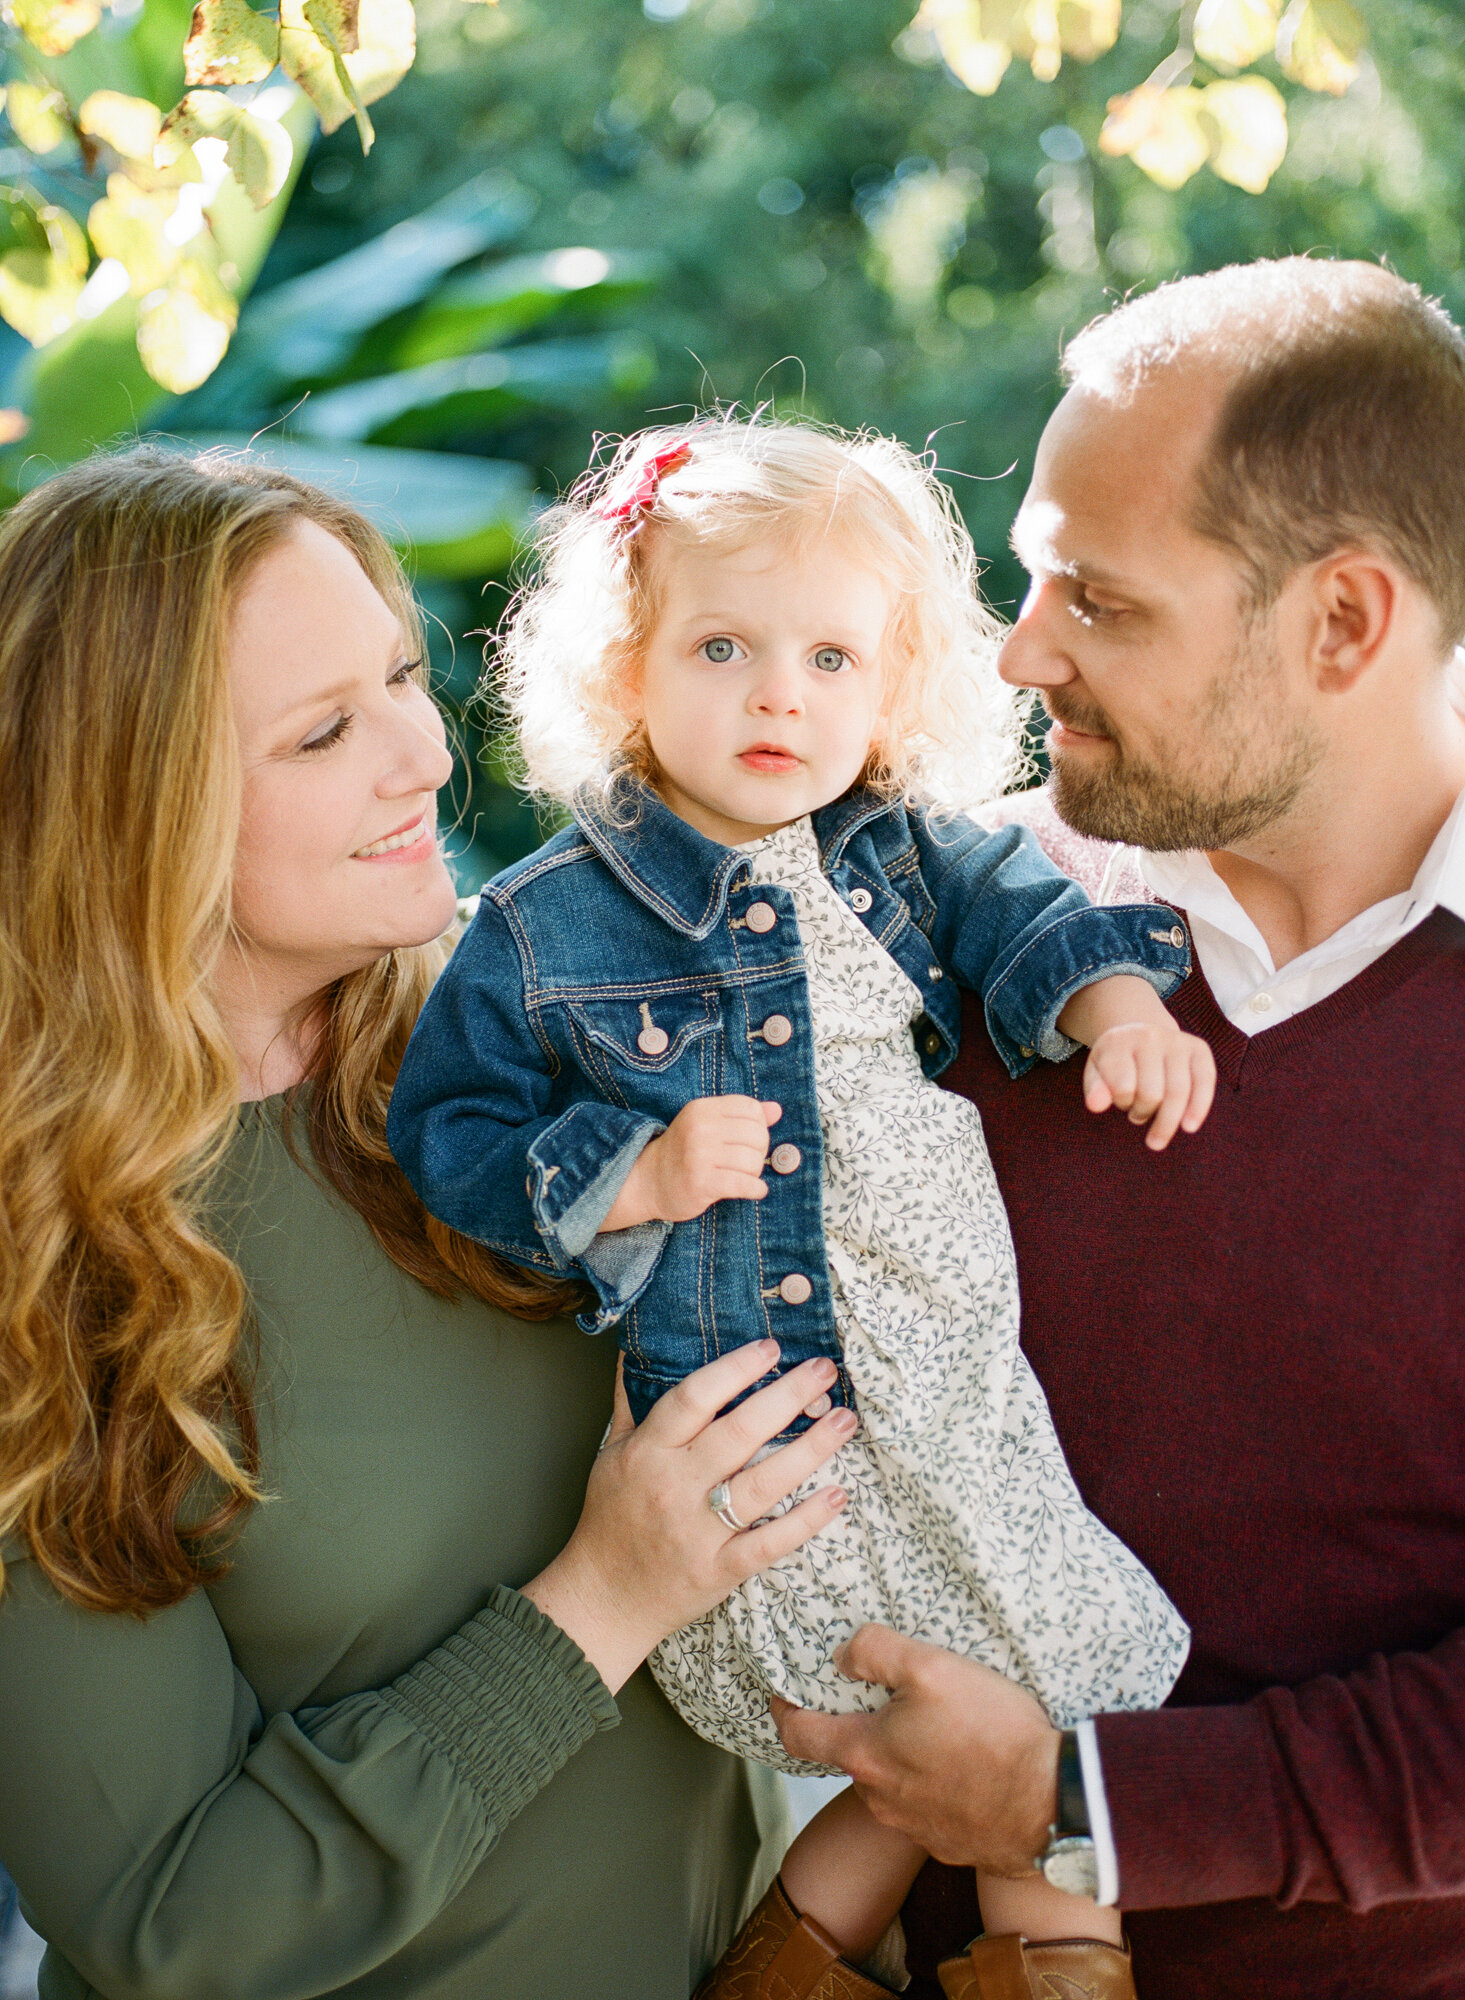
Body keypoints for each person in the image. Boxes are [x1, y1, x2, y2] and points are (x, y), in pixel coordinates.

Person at [0, 446, 860, 2000]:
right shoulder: (39, 1264)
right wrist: (603, 1597)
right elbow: (173, 1922)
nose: (422, 756)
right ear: (127, 812)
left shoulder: (541, 1041)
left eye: (402, 675)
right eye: (324, 731)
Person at [386, 417, 1216, 1998]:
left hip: (943, 1349)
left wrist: (1117, 1011)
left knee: (991, 1679)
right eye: (722, 645)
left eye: (834, 658)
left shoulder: (894, 849)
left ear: (891, 689)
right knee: (973, 1706)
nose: (782, 693)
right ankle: (1060, 1967)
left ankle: (789, 1965)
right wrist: (623, 1175)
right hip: (771, 1396)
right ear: (624, 671)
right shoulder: (546, 923)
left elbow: (1027, 909)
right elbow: (454, 1137)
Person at [772, 257, 1465, 2000]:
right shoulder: (928, 945)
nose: (1022, 657)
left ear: (1343, 623)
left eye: (1100, 600)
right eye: (1029, 583)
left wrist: (1083, 1804)